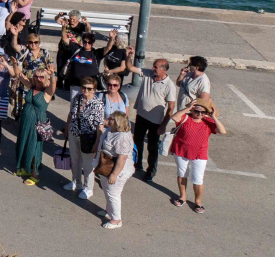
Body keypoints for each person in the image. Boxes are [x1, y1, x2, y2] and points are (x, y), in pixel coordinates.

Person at [126, 51, 176, 181]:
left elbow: (171, 107)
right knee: (137, 142)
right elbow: (130, 67)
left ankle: (151, 171)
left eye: (156, 67)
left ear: (164, 70)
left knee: (152, 148)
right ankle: (137, 165)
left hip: (155, 122)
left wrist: (163, 125)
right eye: (153, 66)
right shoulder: (148, 73)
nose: (153, 68)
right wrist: (128, 56)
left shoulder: (169, 85)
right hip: (141, 116)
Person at [170, 97, 226, 214]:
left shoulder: (208, 122)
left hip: (200, 153)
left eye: (202, 112)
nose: (199, 114)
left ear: (206, 113)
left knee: (198, 179)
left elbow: (222, 131)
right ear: (193, 110)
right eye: (196, 111)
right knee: (182, 174)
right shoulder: (185, 117)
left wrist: (214, 117)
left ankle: (198, 202)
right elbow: (174, 117)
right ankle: (182, 197)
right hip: (181, 151)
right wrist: (187, 108)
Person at [15, 64, 58, 185]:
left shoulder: (47, 92)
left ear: (45, 79)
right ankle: (26, 168)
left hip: (37, 123)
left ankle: (35, 175)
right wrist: (13, 64)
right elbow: (20, 75)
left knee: (34, 148)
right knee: (23, 143)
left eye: (41, 77)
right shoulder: (31, 86)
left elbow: (53, 86)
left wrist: (52, 75)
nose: (38, 79)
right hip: (25, 121)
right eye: (36, 76)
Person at [66, 76, 107, 200]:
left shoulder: (98, 104)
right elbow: (70, 114)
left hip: (88, 137)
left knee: (88, 164)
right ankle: (76, 182)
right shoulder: (77, 99)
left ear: (94, 90)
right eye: (83, 87)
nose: (86, 90)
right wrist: (67, 128)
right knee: (75, 160)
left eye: (89, 89)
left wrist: (97, 142)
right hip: (74, 133)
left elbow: (100, 125)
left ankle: (88, 188)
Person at [97, 111, 134, 229]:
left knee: (113, 194)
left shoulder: (122, 137)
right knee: (106, 189)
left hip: (117, 170)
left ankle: (116, 219)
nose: (108, 119)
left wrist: (114, 175)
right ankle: (109, 210)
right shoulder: (111, 130)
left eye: (111, 118)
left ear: (118, 122)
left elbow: (122, 158)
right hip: (105, 166)